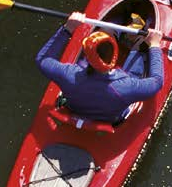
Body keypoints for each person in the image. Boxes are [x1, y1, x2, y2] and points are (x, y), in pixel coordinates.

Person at [35, 12, 164, 122]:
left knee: (106, 29)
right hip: (113, 116)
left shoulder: (68, 74)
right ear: (115, 55)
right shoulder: (127, 86)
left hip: (78, 107)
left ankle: (121, 22)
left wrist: (68, 28)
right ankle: (134, 35)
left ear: (87, 55)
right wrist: (154, 45)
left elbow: (42, 59)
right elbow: (157, 82)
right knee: (141, 45)